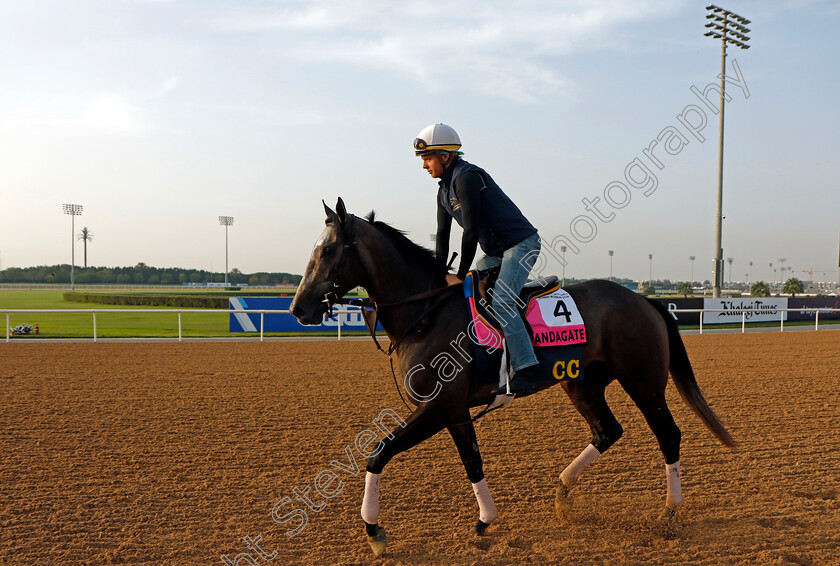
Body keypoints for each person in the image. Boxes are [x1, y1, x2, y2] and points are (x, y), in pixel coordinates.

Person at [414, 123, 542, 395]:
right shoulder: (443, 190)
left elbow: (470, 232)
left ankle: (527, 369)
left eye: (427, 158)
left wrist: (459, 275)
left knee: (503, 301)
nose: (424, 165)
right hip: (497, 252)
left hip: (521, 245)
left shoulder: (467, 177)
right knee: (471, 291)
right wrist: (439, 273)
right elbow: (442, 235)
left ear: (446, 156)